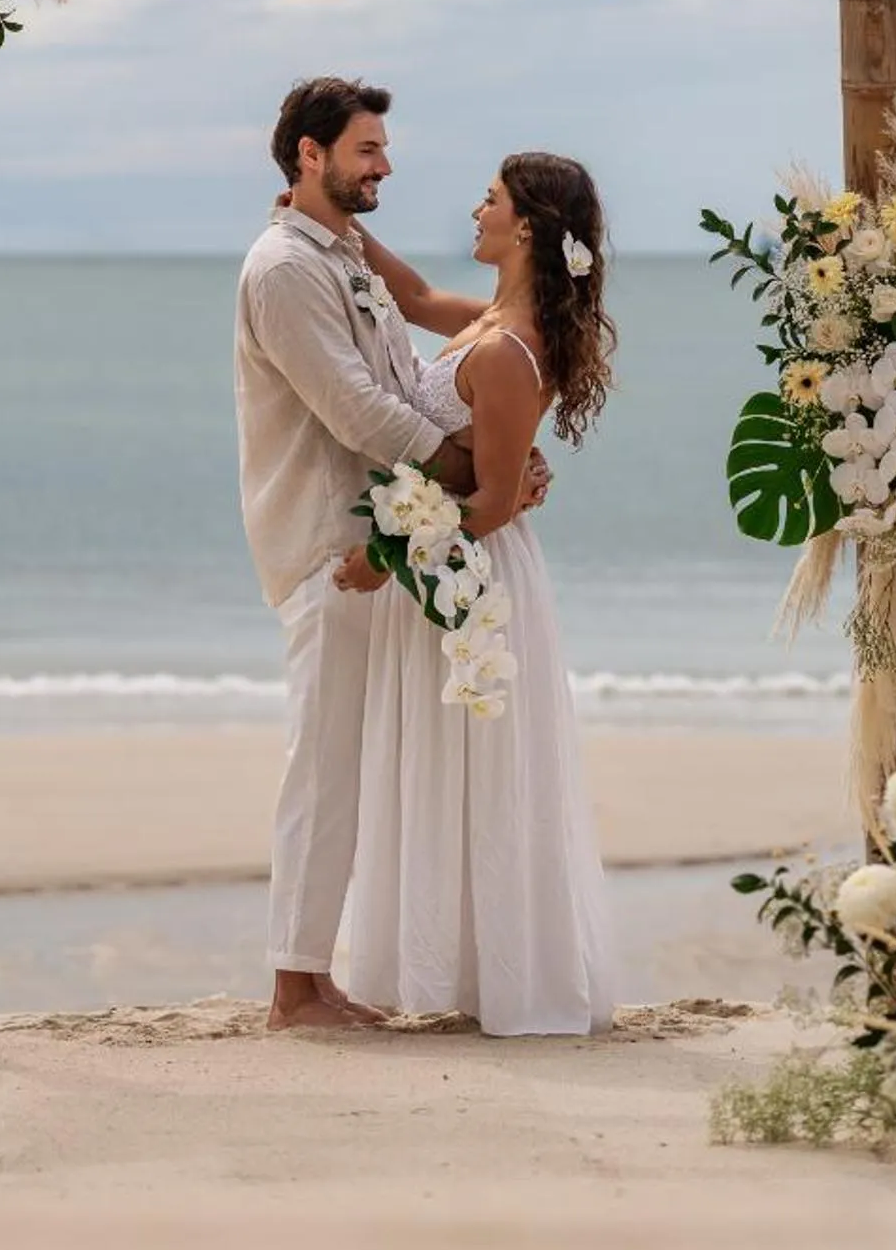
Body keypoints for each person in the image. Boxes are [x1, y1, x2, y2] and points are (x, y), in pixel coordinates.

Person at [232, 77, 547, 1032]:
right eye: (368, 149)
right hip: (335, 543)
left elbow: (406, 363)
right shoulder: (286, 269)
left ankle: (315, 974)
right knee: (322, 766)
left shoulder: (336, 254)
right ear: (310, 156)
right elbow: (358, 409)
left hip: (383, 536)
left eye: (383, 147)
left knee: (349, 767)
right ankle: (293, 987)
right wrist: (476, 468)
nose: (387, 164)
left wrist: (499, 458)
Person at [343, 152, 620, 1036]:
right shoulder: (491, 320)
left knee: (480, 778)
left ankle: (499, 976)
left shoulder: (505, 349)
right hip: (452, 565)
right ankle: (456, 965)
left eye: (491, 200)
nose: (477, 208)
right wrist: (342, 229)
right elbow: (419, 301)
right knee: (450, 771)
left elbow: (496, 501)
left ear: (527, 225)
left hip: (472, 584)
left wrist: (387, 554)